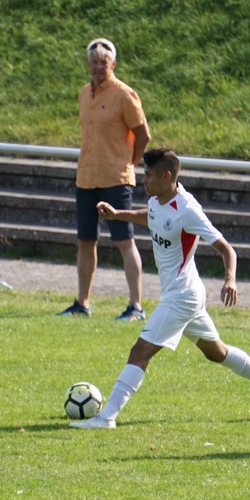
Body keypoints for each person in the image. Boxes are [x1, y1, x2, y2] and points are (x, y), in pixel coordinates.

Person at [70, 148, 250, 429]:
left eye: (149, 175)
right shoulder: (157, 200)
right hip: (186, 293)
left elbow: (227, 249)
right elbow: (151, 217)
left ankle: (106, 417)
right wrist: (117, 215)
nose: (143, 181)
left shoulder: (188, 210)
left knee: (140, 352)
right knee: (216, 352)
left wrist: (230, 279)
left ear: (167, 176)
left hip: (182, 297)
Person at [59, 37, 150, 321]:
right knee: (86, 241)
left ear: (113, 64)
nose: (99, 66)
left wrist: (129, 163)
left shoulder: (124, 95)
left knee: (124, 241)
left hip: (116, 179)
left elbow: (143, 134)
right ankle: (82, 303)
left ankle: (136, 306)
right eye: (94, 61)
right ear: (88, 64)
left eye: (104, 62)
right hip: (86, 178)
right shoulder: (84, 93)